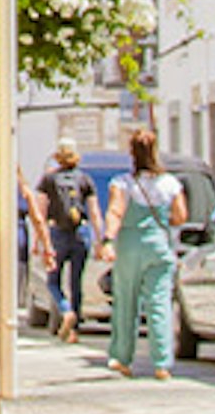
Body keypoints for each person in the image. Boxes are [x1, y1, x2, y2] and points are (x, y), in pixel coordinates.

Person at [97, 129, 190, 378]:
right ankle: (162, 363)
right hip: (159, 246)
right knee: (159, 304)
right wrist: (161, 220)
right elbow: (181, 216)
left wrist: (108, 240)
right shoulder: (170, 183)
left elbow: (116, 211)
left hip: (129, 246)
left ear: (132, 153)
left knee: (126, 303)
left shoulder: (123, 183)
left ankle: (122, 358)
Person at [31, 142, 98, 339]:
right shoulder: (85, 179)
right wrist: (100, 240)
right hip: (80, 233)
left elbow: (40, 212)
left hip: (57, 232)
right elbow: (94, 212)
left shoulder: (49, 179)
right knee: (76, 282)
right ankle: (74, 329)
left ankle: (65, 309)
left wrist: (38, 240)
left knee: (53, 281)